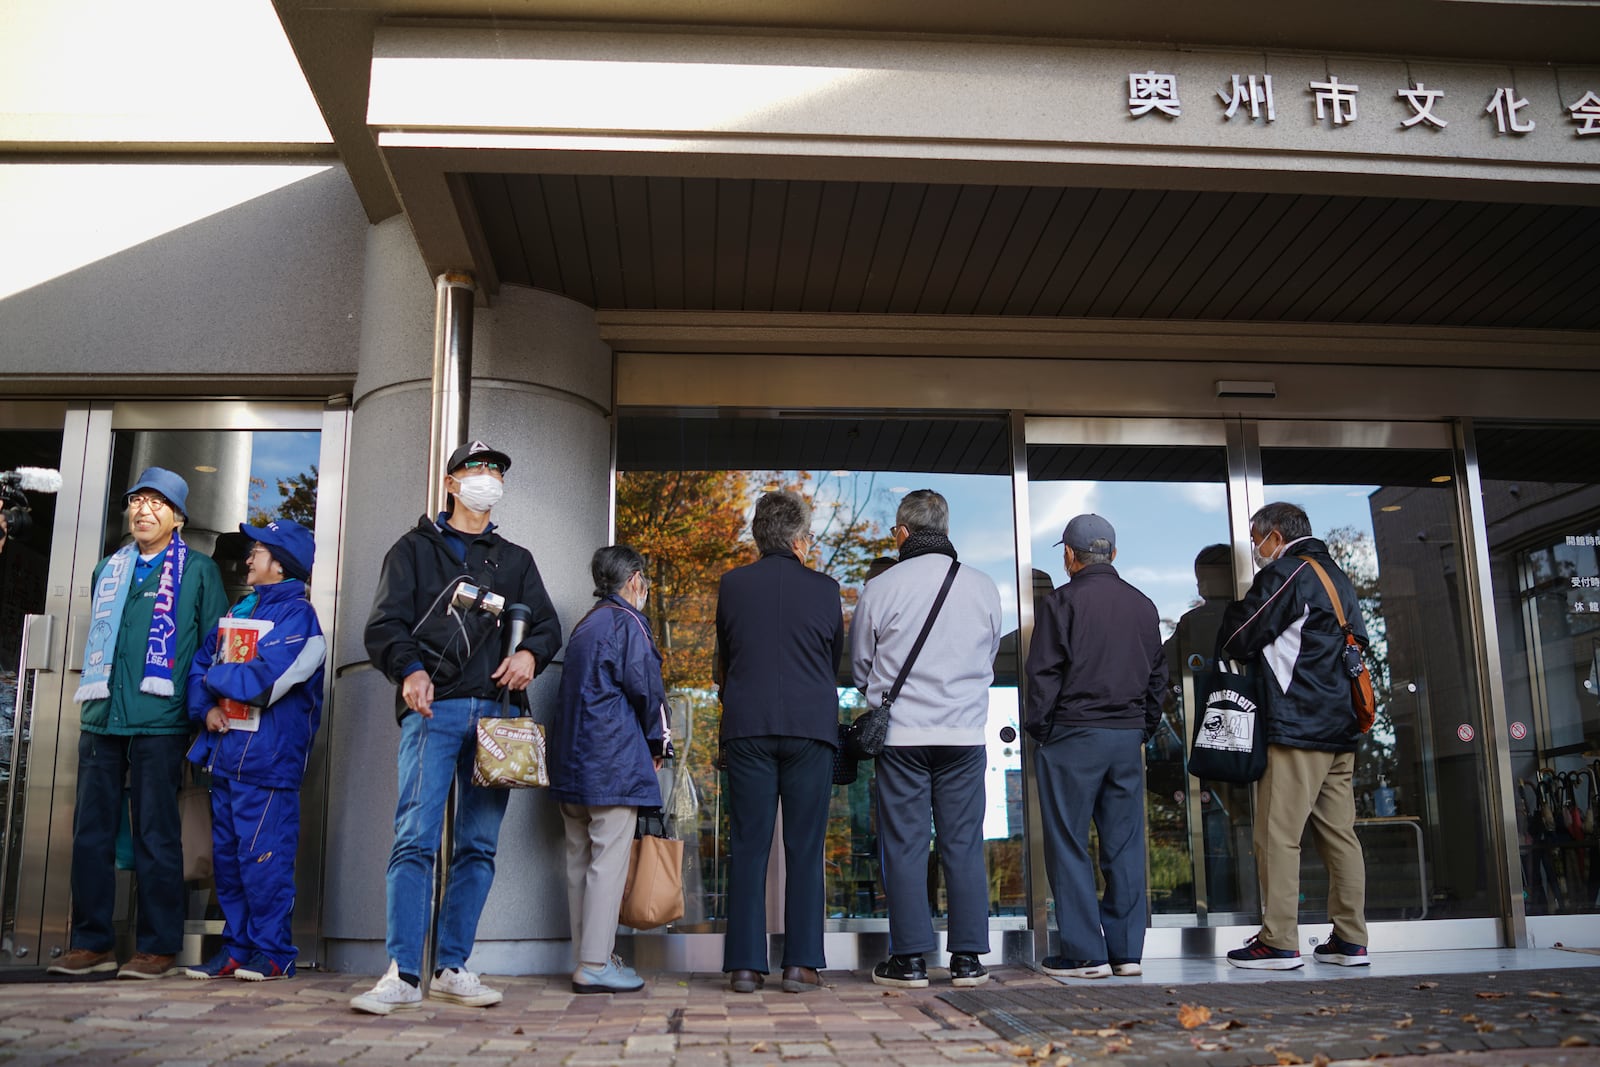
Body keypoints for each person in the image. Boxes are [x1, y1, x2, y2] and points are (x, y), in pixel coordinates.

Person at [351, 441, 562, 1014]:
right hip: (432, 712)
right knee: (415, 839)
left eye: (496, 470)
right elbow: (384, 626)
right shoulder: (413, 550)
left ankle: (451, 966)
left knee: (478, 846)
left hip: (498, 719)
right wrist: (410, 669)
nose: (488, 478)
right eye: (476, 469)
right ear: (451, 483)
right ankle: (402, 973)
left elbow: (548, 624)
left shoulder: (515, 559)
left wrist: (530, 658)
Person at [47, 468, 227, 979]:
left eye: (155, 503)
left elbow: (212, 649)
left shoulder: (198, 571)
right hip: (103, 718)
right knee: (91, 834)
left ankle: (158, 946)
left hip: (161, 722)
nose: (142, 510)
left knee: (156, 833)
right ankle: (92, 943)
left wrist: (202, 711)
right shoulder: (108, 567)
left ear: (177, 518)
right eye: (136, 501)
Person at [852, 489, 1001, 989]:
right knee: (963, 843)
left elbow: (858, 667)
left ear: (902, 533)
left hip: (902, 737)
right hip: (963, 733)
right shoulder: (983, 587)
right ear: (946, 527)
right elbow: (990, 657)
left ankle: (910, 959)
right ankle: (967, 960)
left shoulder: (881, 587)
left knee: (905, 845)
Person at [1219, 502, 1370, 970]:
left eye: (1255, 537)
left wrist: (1226, 615)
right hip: (1341, 726)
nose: (1254, 547)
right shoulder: (1338, 578)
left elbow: (1239, 635)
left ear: (1276, 535)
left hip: (1298, 726)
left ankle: (1279, 940)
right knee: (1339, 835)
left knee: (1277, 835)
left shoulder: (1287, 573)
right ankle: (1350, 938)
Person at [1024, 514, 1167, 980]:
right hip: (1125, 738)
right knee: (1124, 845)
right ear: (1114, 554)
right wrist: (1142, 728)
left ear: (1069, 555)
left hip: (1073, 735)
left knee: (1068, 843)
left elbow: (1043, 674)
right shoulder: (1144, 606)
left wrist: (1040, 729)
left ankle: (1085, 954)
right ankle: (1127, 953)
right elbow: (1157, 678)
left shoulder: (1060, 603)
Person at [183, 518, 325, 982]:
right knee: (228, 863)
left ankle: (275, 952)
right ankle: (238, 949)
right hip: (224, 756)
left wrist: (210, 678)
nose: (248, 558)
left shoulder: (300, 620)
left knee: (264, 862)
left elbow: (262, 683)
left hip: (267, 765)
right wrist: (204, 708)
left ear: (280, 565)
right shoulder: (242, 607)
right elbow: (200, 663)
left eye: (258, 551)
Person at [714, 491, 845, 994]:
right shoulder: (826, 588)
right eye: (808, 536)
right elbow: (834, 657)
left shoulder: (732, 585)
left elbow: (726, 655)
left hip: (747, 724)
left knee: (747, 845)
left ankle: (745, 965)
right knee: (805, 847)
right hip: (810, 726)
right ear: (797, 540)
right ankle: (801, 963)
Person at [549, 545, 672, 995]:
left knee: (578, 862)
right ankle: (596, 963)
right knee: (608, 864)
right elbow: (648, 693)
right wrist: (660, 745)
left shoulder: (586, 624)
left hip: (572, 762)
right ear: (635, 578)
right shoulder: (628, 622)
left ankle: (588, 956)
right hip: (614, 763)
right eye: (646, 580)